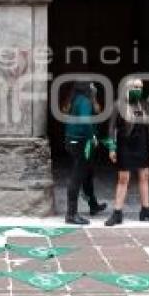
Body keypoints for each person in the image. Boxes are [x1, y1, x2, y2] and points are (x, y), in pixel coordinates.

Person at [105, 78, 149, 225]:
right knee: (123, 178)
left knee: (145, 176)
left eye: (141, 87)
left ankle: (146, 209)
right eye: (136, 87)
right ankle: (117, 213)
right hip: (125, 145)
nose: (139, 90)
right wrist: (112, 147)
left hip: (142, 145)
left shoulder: (144, 104)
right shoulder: (118, 105)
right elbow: (111, 129)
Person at [63, 81, 108, 225]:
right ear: (87, 88)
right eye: (92, 85)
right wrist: (92, 136)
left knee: (88, 174)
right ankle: (71, 214)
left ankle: (93, 205)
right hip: (80, 143)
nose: (94, 87)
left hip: (75, 141)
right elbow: (85, 121)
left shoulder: (77, 99)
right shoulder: (84, 101)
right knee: (77, 176)